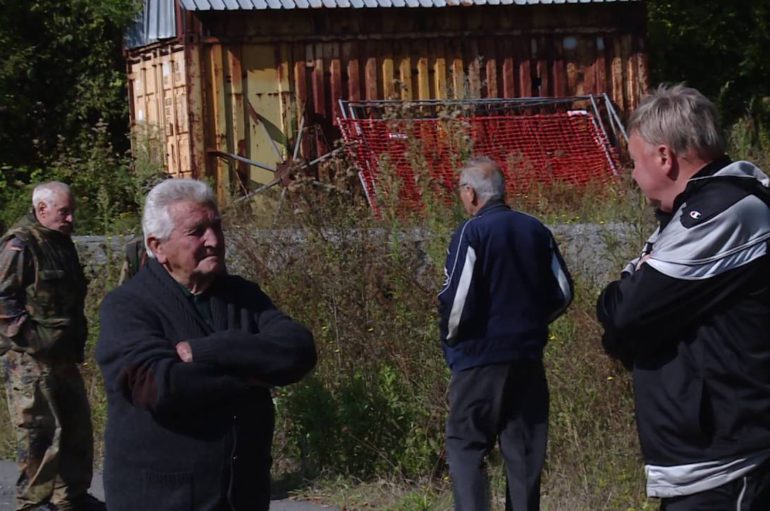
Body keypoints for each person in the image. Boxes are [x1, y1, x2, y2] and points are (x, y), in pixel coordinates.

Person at [596, 84, 770, 509]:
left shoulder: (725, 211)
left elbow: (625, 314)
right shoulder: (695, 213)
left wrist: (628, 287)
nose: (632, 176)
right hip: (705, 464)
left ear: (663, 157)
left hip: (729, 464)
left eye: (634, 162)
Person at [96, 178, 317, 511]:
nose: (213, 240)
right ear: (158, 247)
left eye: (216, 226)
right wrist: (250, 376)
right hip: (160, 498)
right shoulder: (128, 306)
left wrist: (210, 350)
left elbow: (298, 350)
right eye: (196, 231)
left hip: (241, 494)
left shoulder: (242, 296)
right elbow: (158, 384)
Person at [438, 157, 573, 511]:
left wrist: (452, 340)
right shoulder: (535, 229)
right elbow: (563, 292)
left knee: (467, 446)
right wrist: (531, 326)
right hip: (527, 359)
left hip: (478, 360)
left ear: (470, 194)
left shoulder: (472, 232)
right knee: (525, 451)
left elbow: (457, 301)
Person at [0, 182, 103, 511]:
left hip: (63, 357)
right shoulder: (20, 244)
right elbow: (2, 298)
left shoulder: (59, 243)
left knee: (76, 432)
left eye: (72, 211)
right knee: (40, 437)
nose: (71, 218)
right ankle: (34, 504)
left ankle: (71, 499)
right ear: (41, 210)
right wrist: (29, 337)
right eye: (64, 212)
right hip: (30, 363)